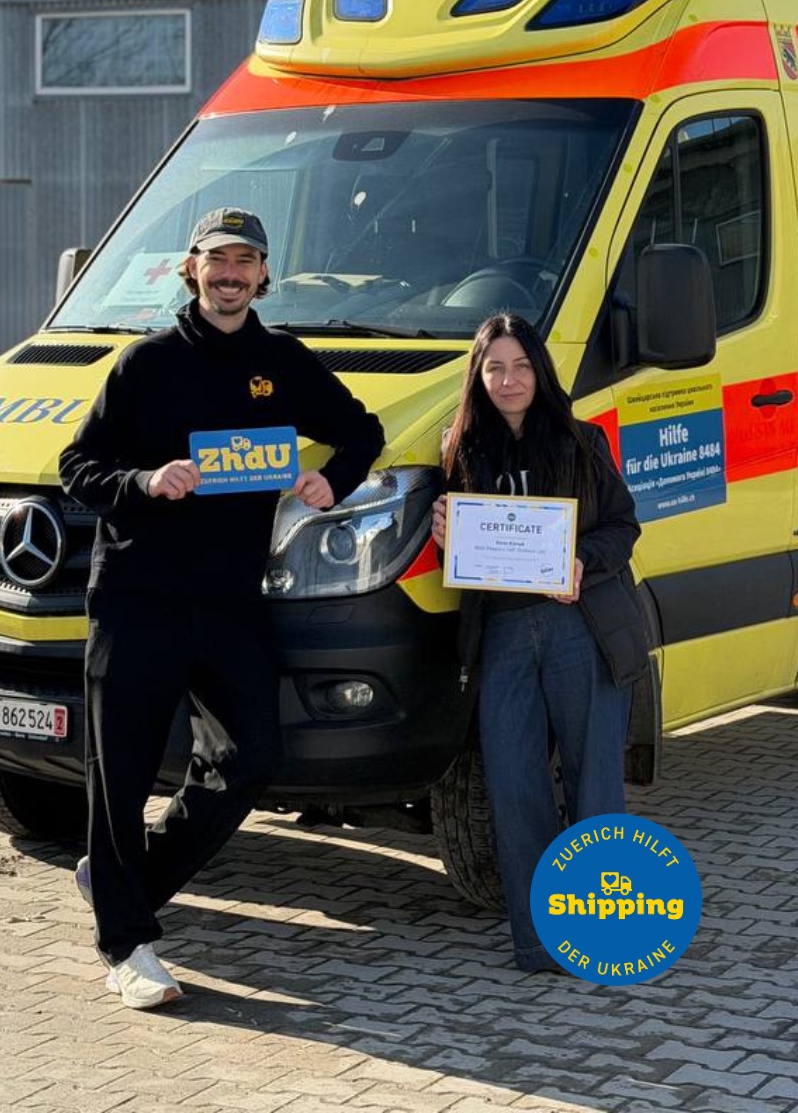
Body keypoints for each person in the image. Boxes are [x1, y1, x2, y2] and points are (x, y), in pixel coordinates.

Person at [59, 206, 385, 1009]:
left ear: (264, 275)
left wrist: (331, 481)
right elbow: (78, 466)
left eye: (246, 261)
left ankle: (125, 883)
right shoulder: (145, 364)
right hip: (137, 596)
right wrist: (144, 481)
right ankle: (125, 944)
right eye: (217, 259)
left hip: (230, 601)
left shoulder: (282, 361)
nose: (231, 274)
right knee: (121, 772)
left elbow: (362, 431)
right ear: (192, 269)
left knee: (250, 758)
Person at [431, 311, 645, 974]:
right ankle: (539, 943)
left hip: (579, 629)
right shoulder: (458, 449)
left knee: (595, 787)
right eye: (495, 367)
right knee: (514, 787)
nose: (509, 380)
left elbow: (624, 526)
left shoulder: (583, 440)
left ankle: (603, 936)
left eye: (521, 365)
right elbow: (459, 557)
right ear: (478, 377)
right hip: (501, 635)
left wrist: (581, 560)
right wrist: (443, 536)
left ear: (540, 372)